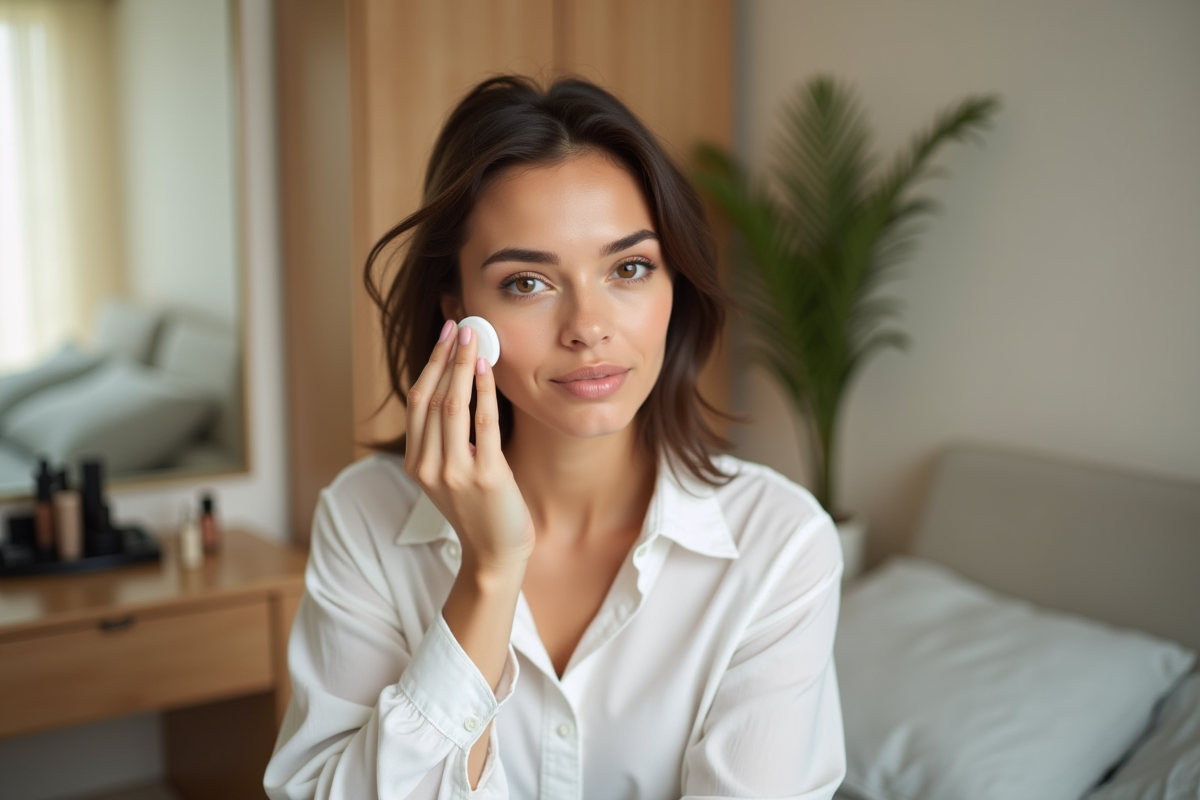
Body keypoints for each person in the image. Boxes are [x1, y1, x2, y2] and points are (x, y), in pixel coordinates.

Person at [264, 75, 844, 800]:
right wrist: (487, 577)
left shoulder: (781, 544)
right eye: (528, 282)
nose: (588, 326)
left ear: (676, 288)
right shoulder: (363, 518)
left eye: (629, 268)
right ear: (458, 313)